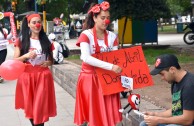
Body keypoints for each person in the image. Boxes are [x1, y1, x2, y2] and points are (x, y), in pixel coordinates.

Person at [74, 1, 123, 126]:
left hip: (107, 79)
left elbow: (115, 58)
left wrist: (124, 80)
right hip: (90, 80)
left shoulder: (112, 37)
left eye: (107, 18)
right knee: (92, 114)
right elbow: (86, 57)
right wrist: (111, 67)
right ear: (94, 18)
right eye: (102, 18)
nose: (106, 21)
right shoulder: (86, 35)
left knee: (107, 113)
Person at [13, 13, 57, 126]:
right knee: (31, 109)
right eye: (34, 22)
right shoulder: (22, 40)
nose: (37, 25)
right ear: (28, 24)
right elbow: (15, 61)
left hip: (43, 77)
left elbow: (51, 61)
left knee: (40, 107)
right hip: (27, 77)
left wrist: (48, 62)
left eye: (39, 22)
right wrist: (26, 56)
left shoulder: (47, 41)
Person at [139, 54, 194, 126]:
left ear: (172, 70)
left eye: (162, 74)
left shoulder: (189, 85)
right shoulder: (175, 83)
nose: (162, 78)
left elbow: (188, 120)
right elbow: (176, 110)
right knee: (144, 124)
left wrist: (159, 120)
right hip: (183, 120)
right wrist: (155, 114)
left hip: (189, 122)